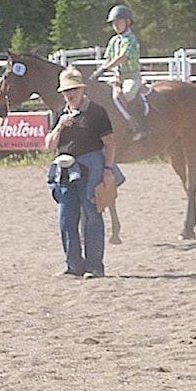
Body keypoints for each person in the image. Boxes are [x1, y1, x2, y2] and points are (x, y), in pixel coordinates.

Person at [45, 66, 117, 278]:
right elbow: (49, 145)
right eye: (67, 91)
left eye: (74, 89)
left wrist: (107, 169)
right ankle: (73, 265)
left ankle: (95, 265)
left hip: (92, 167)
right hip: (66, 170)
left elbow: (110, 143)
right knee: (66, 218)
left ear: (82, 89)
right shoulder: (59, 113)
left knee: (93, 216)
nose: (71, 94)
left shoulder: (97, 112)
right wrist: (59, 127)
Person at [91, 3, 147, 141]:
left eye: (118, 22)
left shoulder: (131, 39)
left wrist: (105, 68)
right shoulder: (113, 40)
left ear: (127, 22)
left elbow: (122, 58)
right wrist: (97, 72)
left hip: (131, 76)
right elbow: (109, 59)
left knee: (127, 94)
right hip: (117, 76)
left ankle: (139, 126)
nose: (115, 25)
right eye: (113, 23)